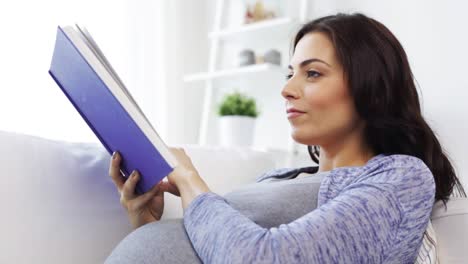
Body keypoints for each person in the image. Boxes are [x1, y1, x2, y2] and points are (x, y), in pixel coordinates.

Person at [105, 13, 466, 263]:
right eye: (290, 72)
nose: (287, 89)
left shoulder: (400, 178)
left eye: (312, 73)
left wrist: (189, 180)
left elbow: (265, 259)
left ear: (370, 87)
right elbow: (211, 249)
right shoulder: (276, 177)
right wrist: (146, 225)